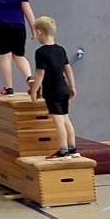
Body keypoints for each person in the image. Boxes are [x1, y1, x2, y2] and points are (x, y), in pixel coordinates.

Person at [28, 16, 79, 160]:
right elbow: (68, 69)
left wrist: (34, 90)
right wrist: (72, 86)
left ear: (39, 32)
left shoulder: (41, 52)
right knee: (66, 118)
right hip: (63, 88)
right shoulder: (61, 50)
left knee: (58, 121)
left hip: (52, 91)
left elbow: (40, 73)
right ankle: (73, 149)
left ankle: (63, 151)